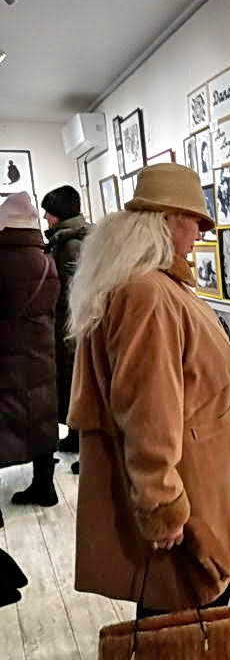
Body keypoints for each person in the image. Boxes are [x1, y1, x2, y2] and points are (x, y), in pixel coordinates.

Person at [67, 163, 230, 618]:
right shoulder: (148, 295)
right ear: (165, 220)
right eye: (195, 221)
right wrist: (163, 505)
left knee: (187, 612)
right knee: (187, 617)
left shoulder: (147, 285)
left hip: (200, 479)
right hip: (191, 490)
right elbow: (148, 411)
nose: (200, 233)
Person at [0, 192, 60, 513]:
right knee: (42, 418)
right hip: (41, 354)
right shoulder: (46, 260)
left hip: (6, 355)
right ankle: (45, 487)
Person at [41, 185, 90, 473]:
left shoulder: (70, 244)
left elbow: (71, 293)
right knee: (73, 382)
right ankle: (74, 437)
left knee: (76, 382)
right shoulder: (72, 238)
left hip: (72, 325)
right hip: (73, 323)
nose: (45, 218)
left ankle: (85, 445)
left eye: (48, 212)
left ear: (58, 214)